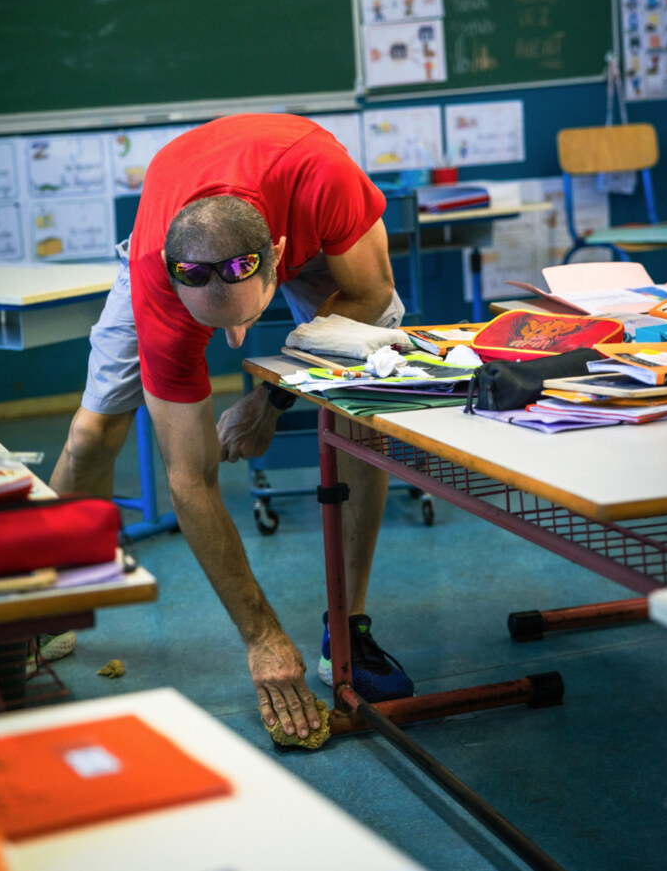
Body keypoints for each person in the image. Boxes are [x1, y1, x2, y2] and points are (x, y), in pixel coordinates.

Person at [50, 113, 413, 741]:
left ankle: (348, 626)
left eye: (243, 319)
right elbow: (190, 481)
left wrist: (268, 399)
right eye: (213, 326)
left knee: (357, 406)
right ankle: (38, 605)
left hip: (302, 215)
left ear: (276, 259)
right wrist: (262, 638)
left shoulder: (322, 179)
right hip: (188, 239)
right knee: (92, 434)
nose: (230, 339)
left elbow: (372, 293)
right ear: (170, 275)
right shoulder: (156, 280)